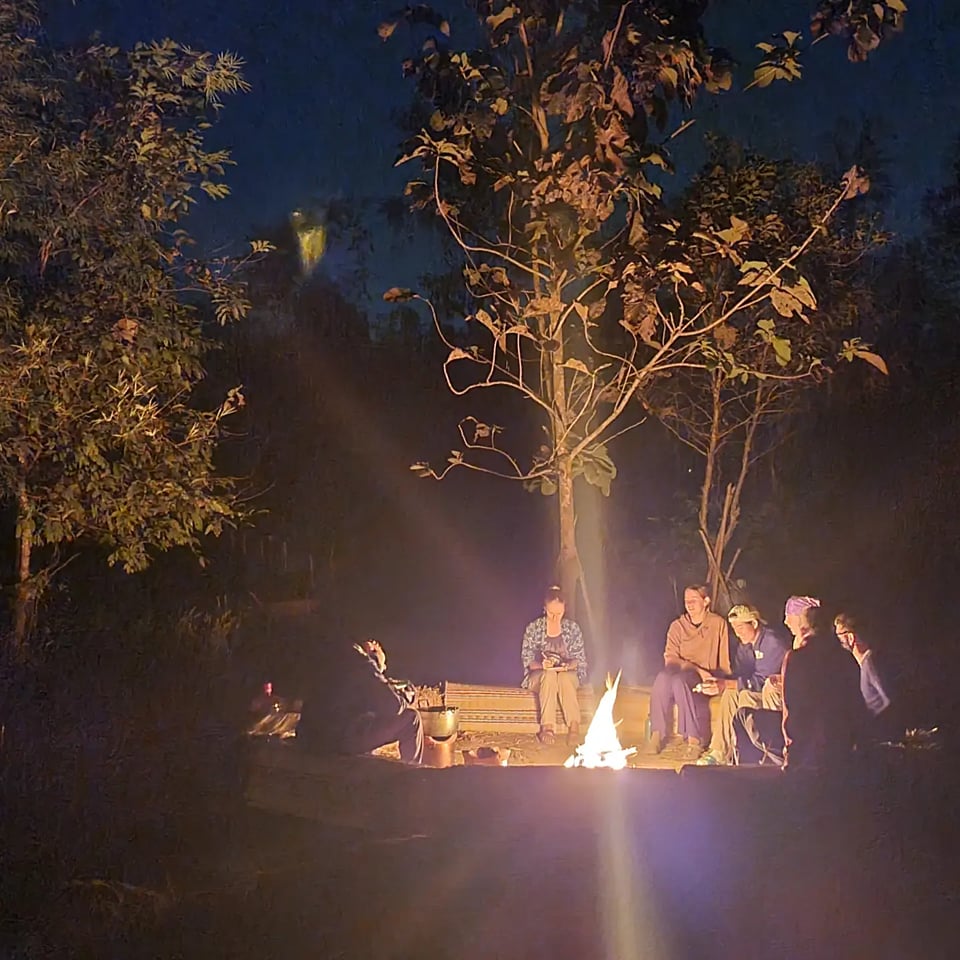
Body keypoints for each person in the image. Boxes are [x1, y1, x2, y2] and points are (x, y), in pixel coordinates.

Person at [297, 638, 423, 764]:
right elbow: (394, 706)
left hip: (309, 737)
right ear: (372, 652)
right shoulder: (362, 662)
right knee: (412, 718)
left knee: (367, 719)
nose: (384, 668)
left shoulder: (335, 658)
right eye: (383, 663)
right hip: (336, 741)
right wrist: (407, 696)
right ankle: (411, 772)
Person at [645, 585, 732, 761]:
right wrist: (695, 668)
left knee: (680, 681)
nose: (689, 605)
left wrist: (723, 681)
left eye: (694, 600)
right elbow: (670, 659)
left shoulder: (717, 624)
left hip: (704, 676)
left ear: (706, 601)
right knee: (663, 678)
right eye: (686, 601)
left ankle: (694, 740)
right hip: (682, 672)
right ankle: (656, 734)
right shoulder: (678, 626)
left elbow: (724, 659)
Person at [697, 603, 788, 766]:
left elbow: (761, 682)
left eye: (740, 627)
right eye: (734, 628)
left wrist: (727, 684)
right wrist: (719, 682)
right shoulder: (745, 645)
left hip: (775, 696)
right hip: (756, 689)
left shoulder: (772, 643)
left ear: (754, 623)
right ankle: (719, 751)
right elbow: (739, 675)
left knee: (745, 695)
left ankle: (746, 752)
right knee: (730, 694)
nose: (737, 632)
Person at [781, 598, 864, 772]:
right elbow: (857, 705)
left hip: (806, 750)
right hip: (840, 748)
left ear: (803, 629)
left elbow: (790, 705)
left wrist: (791, 749)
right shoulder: (846, 658)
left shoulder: (796, 658)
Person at [521, 585, 588, 745]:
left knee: (564, 678)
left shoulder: (572, 629)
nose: (555, 617)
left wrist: (567, 666)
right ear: (545, 609)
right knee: (549, 675)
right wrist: (542, 665)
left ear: (565, 609)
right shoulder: (534, 628)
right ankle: (548, 728)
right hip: (540, 676)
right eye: (551, 613)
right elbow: (528, 659)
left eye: (559, 613)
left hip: (567, 674)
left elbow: (579, 659)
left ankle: (574, 727)